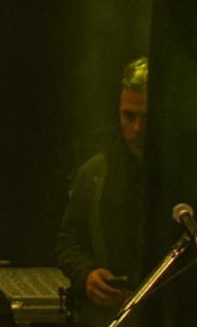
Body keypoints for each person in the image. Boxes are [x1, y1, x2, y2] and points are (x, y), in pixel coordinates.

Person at [60, 56, 155, 312]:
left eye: (147, 117)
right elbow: (68, 241)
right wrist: (88, 275)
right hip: (110, 322)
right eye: (128, 116)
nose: (137, 129)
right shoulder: (96, 171)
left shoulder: (185, 173)